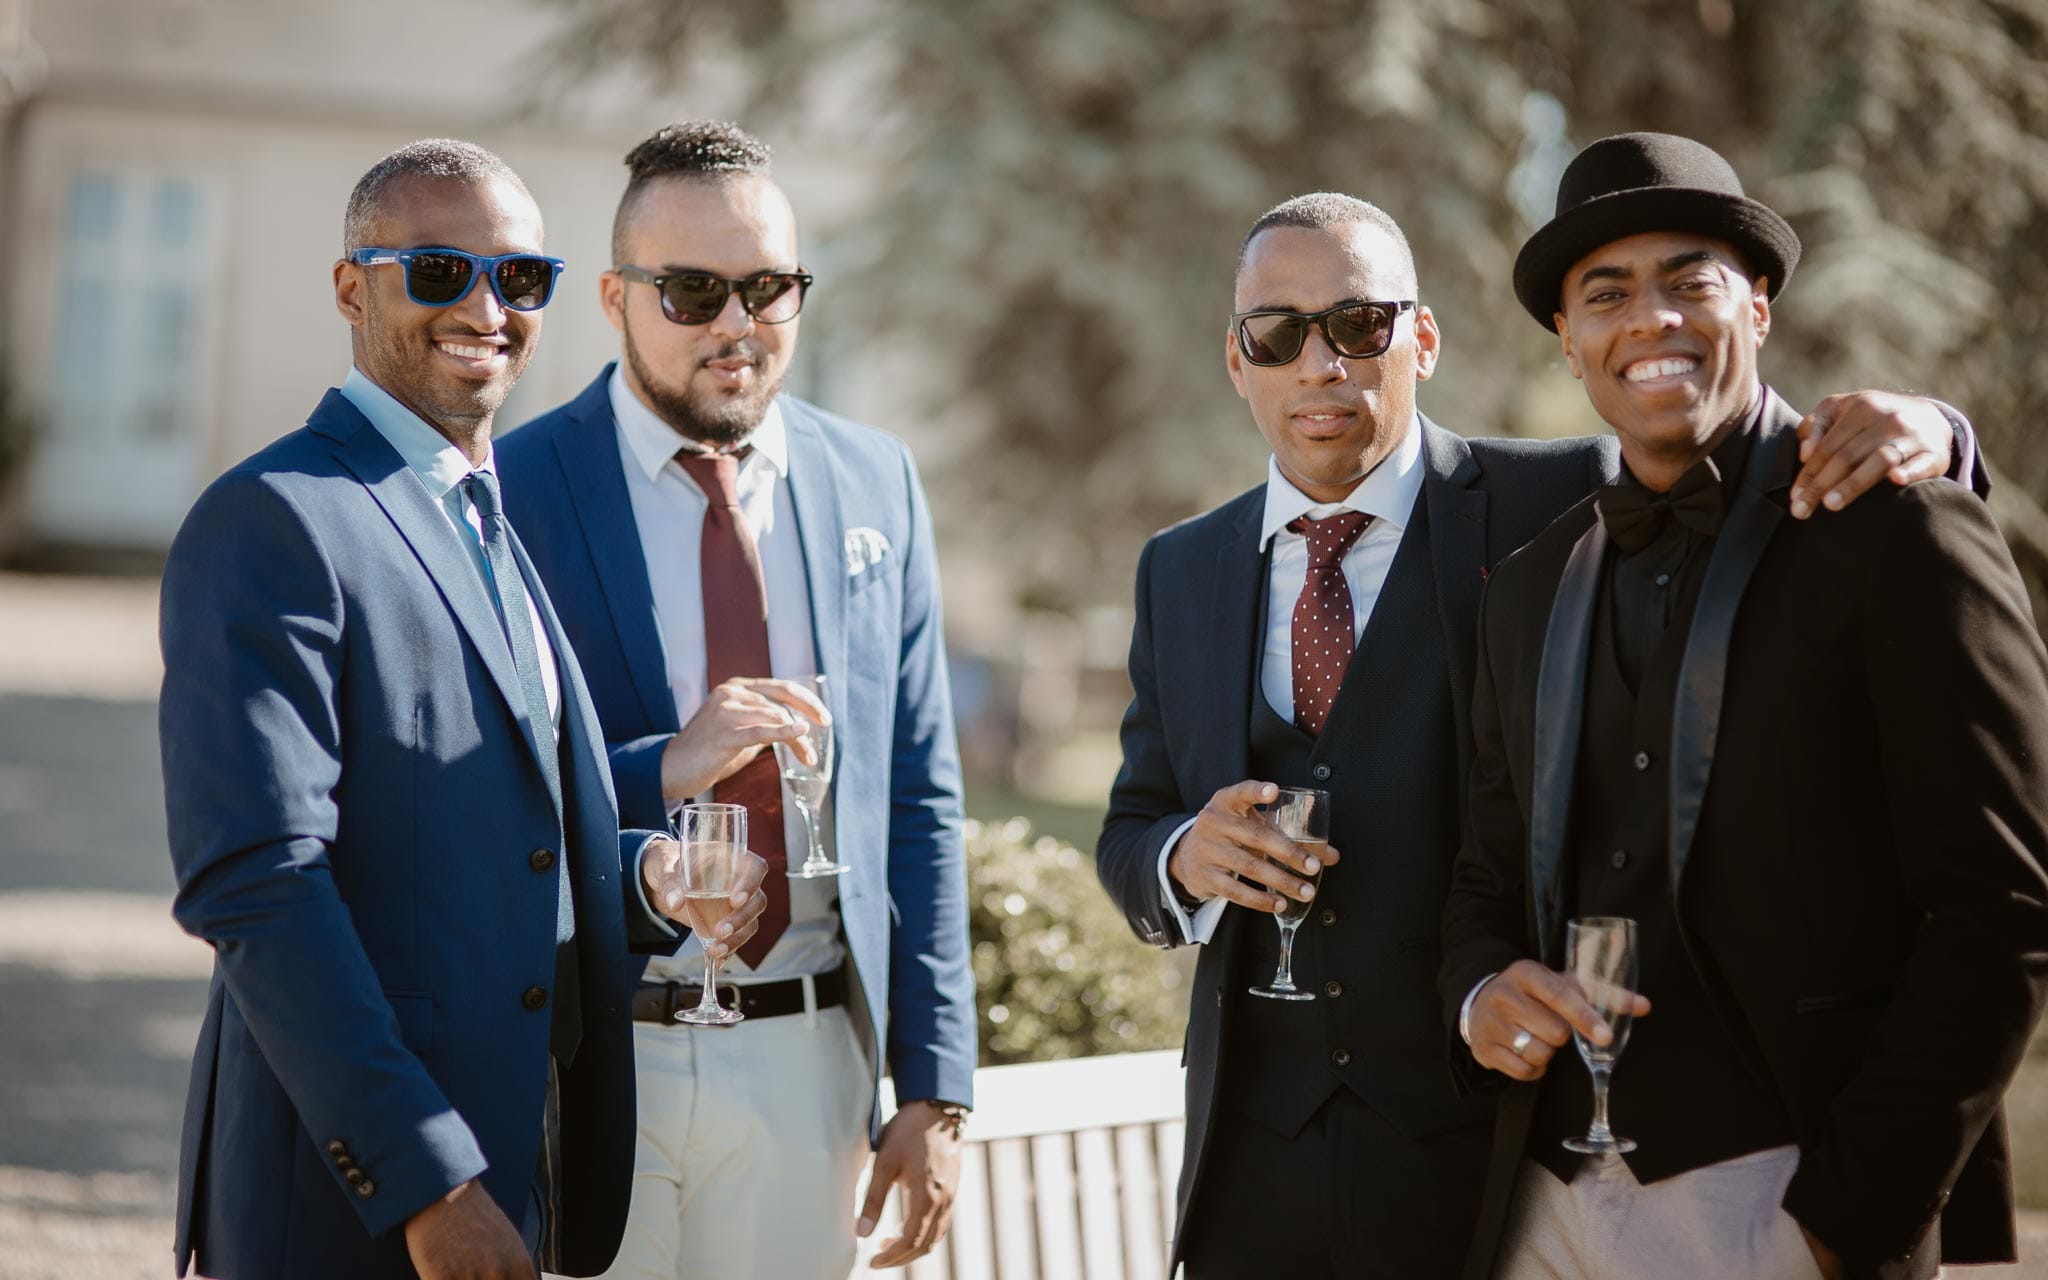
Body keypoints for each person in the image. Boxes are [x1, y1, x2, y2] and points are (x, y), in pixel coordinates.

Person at [1093, 187, 1982, 1278]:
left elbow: (1732, 454)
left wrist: (1938, 433)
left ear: (1418, 337)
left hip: (1485, 1164)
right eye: (1276, 335)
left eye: (1357, 324)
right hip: (1251, 1170)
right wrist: (1178, 855)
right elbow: (1132, 820)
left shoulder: (1563, 495)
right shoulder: (1176, 567)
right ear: (1236, 361)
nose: (1318, 364)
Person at [1440, 131, 2048, 1280]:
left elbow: (2004, 903)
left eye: (1689, 280)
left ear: (1756, 307)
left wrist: (1840, 1220)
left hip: (1786, 1194)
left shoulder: (1898, 529)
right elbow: (1481, 875)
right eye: (1605, 293)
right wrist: (1479, 990)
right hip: (1539, 1210)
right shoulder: (1525, 584)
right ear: (1567, 343)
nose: (1649, 318)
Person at [159, 138, 768, 1280]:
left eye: (518, 277)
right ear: (353, 286)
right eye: (439, 270)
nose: (486, 306)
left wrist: (639, 873)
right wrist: (430, 1181)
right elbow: (256, 881)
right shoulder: (272, 519)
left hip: (520, 1143)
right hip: (356, 1198)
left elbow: (472, 822)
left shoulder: (482, 513)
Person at [497, 121, 975, 1279]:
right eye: (694, 289)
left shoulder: (876, 480)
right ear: (615, 296)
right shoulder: (510, 487)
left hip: (808, 1058)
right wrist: (665, 760)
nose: (734, 323)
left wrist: (936, 1085)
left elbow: (918, 794)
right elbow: (479, 794)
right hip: (592, 1046)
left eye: (766, 287)